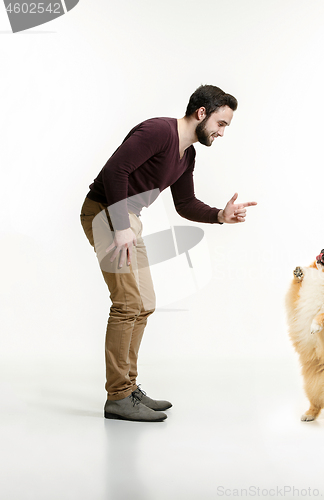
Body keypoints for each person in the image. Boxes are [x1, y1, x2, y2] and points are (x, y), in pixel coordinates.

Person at [80, 85, 257, 422]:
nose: (222, 133)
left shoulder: (187, 155)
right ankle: (117, 396)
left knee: (144, 302)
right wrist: (120, 227)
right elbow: (116, 171)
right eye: (221, 124)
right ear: (202, 113)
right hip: (106, 213)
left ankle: (128, 389)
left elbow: (185, 203)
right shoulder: (158, 131)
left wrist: (221, 214)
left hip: (126, 219)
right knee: (128, 303)